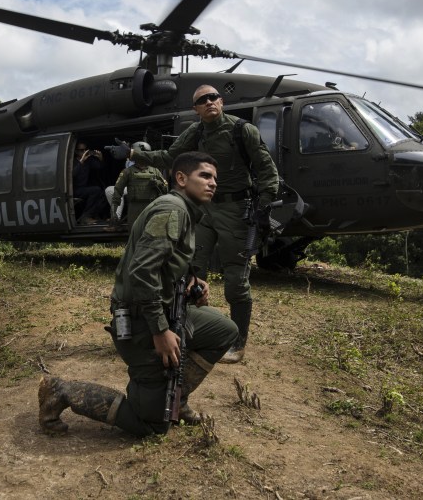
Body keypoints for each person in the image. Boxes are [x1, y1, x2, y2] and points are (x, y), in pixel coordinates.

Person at [38, 151, 238, 437]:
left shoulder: (184, 210)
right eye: (205, 176)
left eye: (215, 178)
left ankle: (176, 400)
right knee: (152, 425)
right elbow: (142, 272)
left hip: (163, 310)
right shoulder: (173, 210)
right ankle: (62, 391)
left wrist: (193, 281)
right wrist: (160, 331)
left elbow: (164, 263)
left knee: (224, 331)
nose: (213, 183)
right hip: (141, 321)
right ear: (180, 178)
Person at [111, 85, 279, 363]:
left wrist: (265, 205)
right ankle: (184, 331)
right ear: (196, 109)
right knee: (190, 272)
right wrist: (132, 154)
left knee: (236, 279)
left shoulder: (242, 130)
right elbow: (168, 157)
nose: (209, 102)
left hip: (236, 208)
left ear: (221, 102)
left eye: (213, 97)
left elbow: (266, 167)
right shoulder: (196, 132)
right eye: (202, 100)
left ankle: (237, 344)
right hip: (204, 210)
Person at [109, 141, 169, 226]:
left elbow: (166, 189)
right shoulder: (128, 172)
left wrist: (158, 183)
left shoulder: (155, 171)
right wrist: (113, 213)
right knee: (135, 235)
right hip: (134, 208)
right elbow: (117, 192)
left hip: (151, 207)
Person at [73, 141, 110, 224]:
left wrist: (100, 158)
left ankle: (96, 215)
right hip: (74, 190)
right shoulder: (72, 162)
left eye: (86, 150)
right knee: (95, 190)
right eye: (81, 150)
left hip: (84, 188)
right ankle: (85, 217)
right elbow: (73, 174)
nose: (84, 152)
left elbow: (100, 167)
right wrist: (81, 161)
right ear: (76, 151)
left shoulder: (88, 161)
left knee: (103, 191)